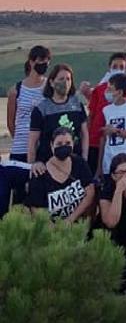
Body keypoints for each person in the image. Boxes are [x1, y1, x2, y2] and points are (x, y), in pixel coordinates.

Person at [1, 45, 49, 218]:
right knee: (19, 195)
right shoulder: (16, 90)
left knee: (39, 194)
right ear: (31, 61)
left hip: (41, 148)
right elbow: (11, 122)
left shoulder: (48, 88)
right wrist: (22, 140)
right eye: (40, 61)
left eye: (46, 61)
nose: (44, 64)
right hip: (20, 148)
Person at [25, 127, 95, 223]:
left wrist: (71, 219)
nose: (63, 146)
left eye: (67, 143)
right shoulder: (41, 172)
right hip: (50, 230)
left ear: (73, 144)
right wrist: (53, 228)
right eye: (59, 144)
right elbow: (35, 208)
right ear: (51, 145)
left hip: (77, 225)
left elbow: (90, 191)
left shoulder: (80, 163)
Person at [29, 64, 89, 173]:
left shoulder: (77, 105)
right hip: (48, 164)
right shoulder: (42, 108)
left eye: (68, 79)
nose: (65, 82)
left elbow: (84, 134)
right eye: (61, 79)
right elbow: (32, 142)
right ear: (52, 82)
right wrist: (31, 167)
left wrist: (84, 158)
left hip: (74, 163)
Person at [86, 52, 126, 175]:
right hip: (94, 141)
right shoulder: (99, 90)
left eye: (121, 67)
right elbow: (91, 114)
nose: (117, 69)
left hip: (121, 149)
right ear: (109, 67)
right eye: (114, 66)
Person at [97, 73, 126, 179]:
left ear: (120, 92)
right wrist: (100, 166)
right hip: (108, 162)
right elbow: (103, 138)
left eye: (110, 89)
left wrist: (116, 131)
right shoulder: (106, 110)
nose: (107, 92)